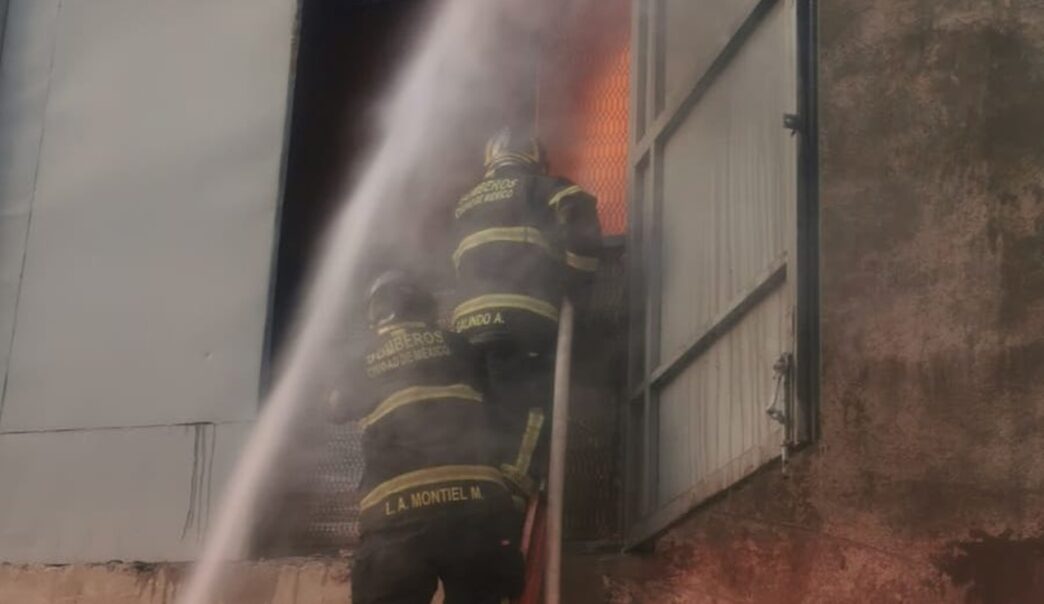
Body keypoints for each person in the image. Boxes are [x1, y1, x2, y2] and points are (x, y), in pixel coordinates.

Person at [327, 270, 524, 604]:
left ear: (376, 315)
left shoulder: (363, 361)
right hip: (475, 511)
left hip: (396, 517)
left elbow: (334, 409)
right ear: (427, 309)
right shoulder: (462, 347)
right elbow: (501, 413)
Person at [450, 127, 602, 510]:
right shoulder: (542, 187)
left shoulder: (464, 203)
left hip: (467, 326)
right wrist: (577, 277)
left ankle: (475, 480)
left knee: (482, 405)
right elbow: (578, 213)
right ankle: (513, 486)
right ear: (535, 159)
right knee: (530, 404)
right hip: (523, 317)